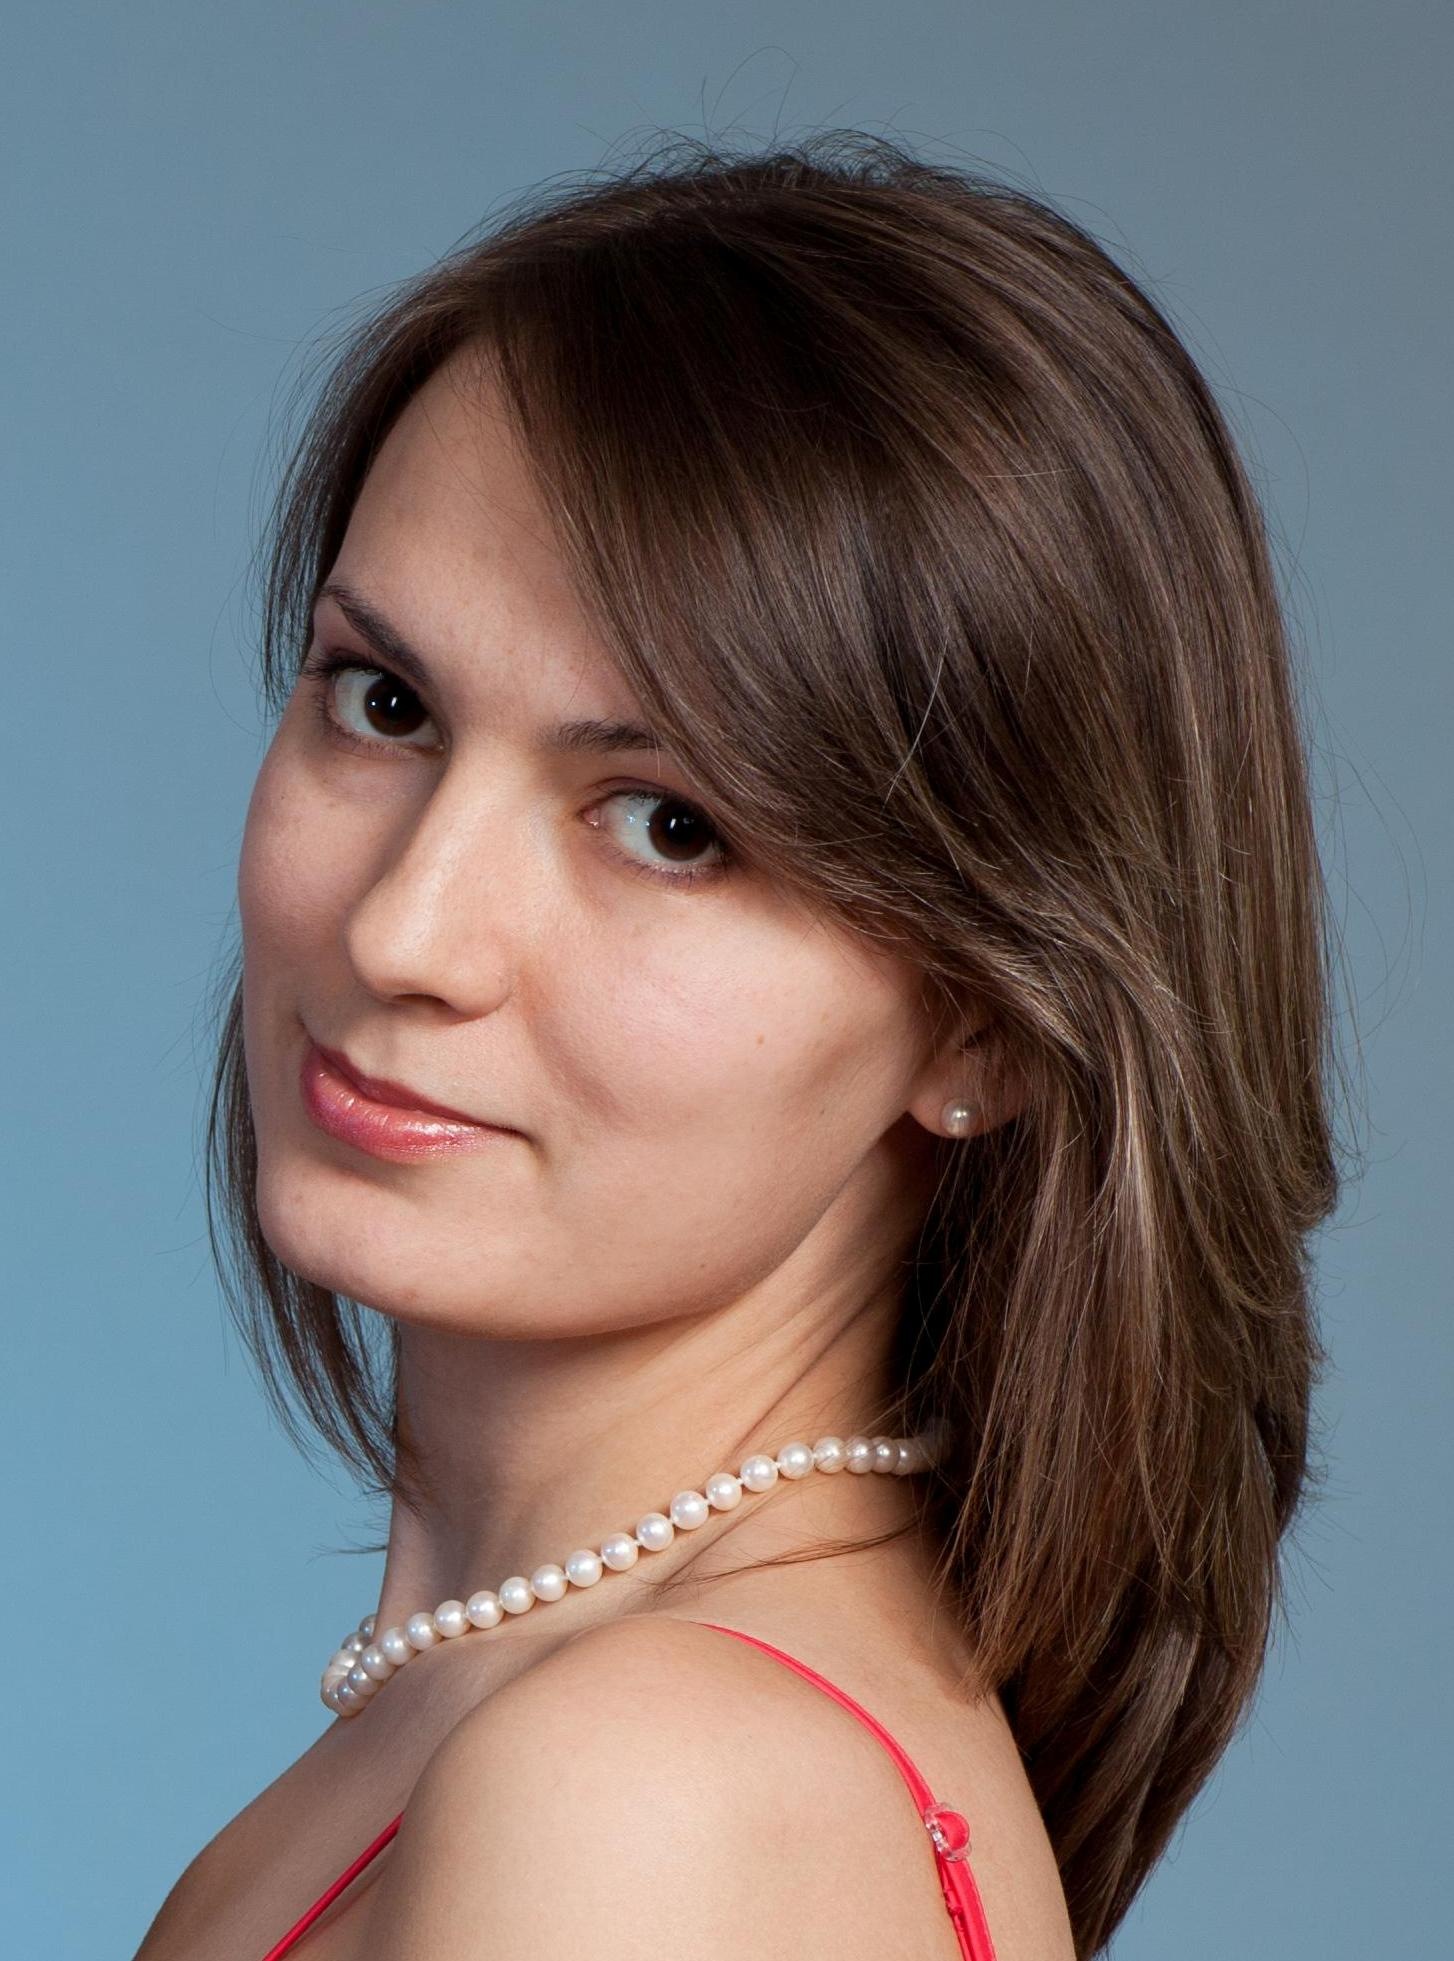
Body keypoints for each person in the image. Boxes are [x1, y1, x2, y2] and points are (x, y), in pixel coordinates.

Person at [134, 130, 1344, 1961]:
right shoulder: (526, 1734)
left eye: (669, 824)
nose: (402, 930)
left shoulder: (644, 1796)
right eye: (383, 704)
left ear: (986, 1019)